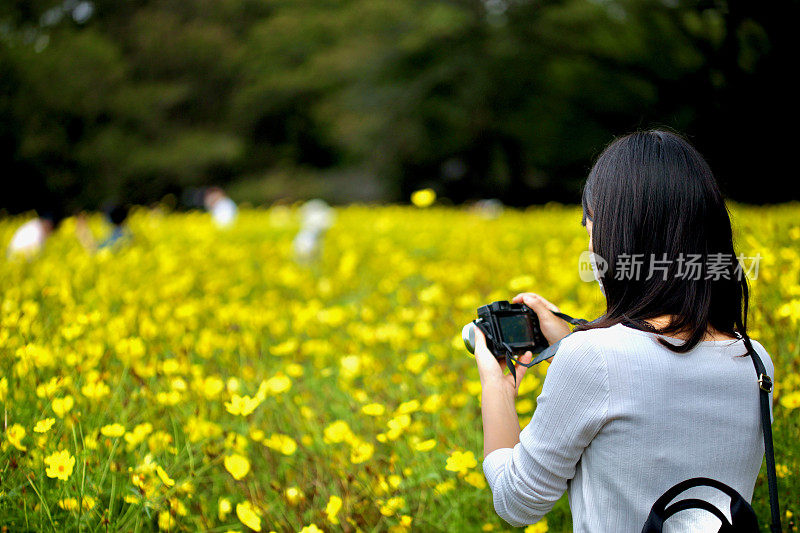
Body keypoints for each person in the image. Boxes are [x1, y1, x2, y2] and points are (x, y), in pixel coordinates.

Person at [474, 130, 774, 532]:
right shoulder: (754, 359)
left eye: (591, 227)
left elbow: (517, 503)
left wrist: (497, 386)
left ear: (615, 235)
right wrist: (571, 341)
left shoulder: (595, 359)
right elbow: (649, 397)